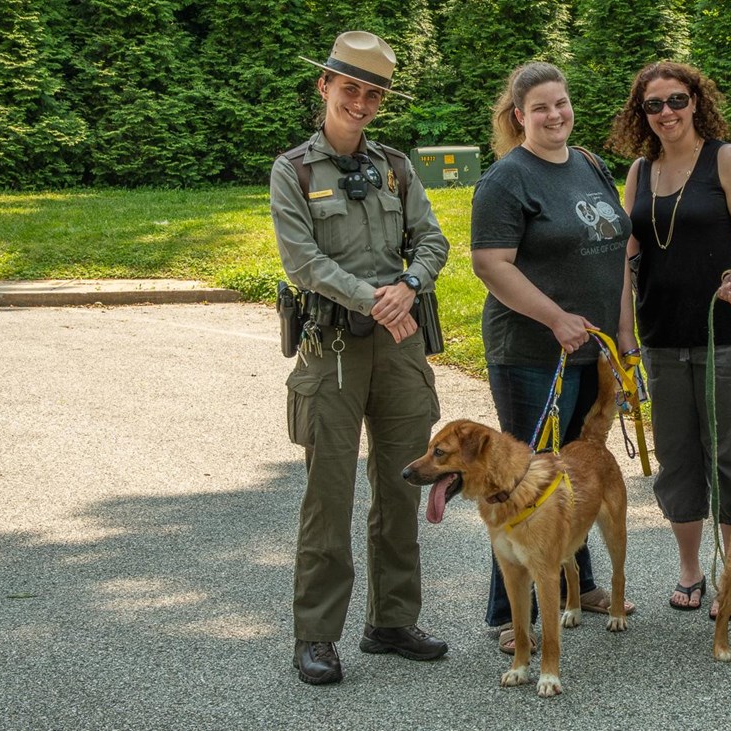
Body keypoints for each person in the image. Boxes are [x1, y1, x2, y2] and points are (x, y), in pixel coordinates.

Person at [269, 31, 450, 685]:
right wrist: (377, 297)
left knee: (402, 486)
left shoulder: (398, 166)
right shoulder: (294, 171)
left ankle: (391, 621)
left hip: (399, 349)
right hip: (333, 351)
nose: (362, 102)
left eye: (373, 93)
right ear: (325, 87)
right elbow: (302, 262)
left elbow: (431, 240)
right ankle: (316, 634)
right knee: (329, 494)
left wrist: (409, 286)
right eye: (351, 89)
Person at [470, 61, 636, 655]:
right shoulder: (505, 181)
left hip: (592, 353)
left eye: (561, 103)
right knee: (523, 482)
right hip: (532, 354)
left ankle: (579, 582)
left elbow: (615, 253)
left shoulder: (590, 165)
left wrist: (624, 336)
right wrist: (556, 318)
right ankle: (505, 614)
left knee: (577, 470)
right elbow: (491, 265)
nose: (555, 115)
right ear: (519, 117)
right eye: (540, 107)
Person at [607, 62, 731, 619]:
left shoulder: (726, 159)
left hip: (728, 334)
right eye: (653, 105)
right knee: (677, 458)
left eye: (676, 100)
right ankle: (690, 570)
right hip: (660, 336)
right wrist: (625, 329)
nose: (667, 113)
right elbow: (628, 257)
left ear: (696, 101)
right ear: (642, 114)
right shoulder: (639, 171)